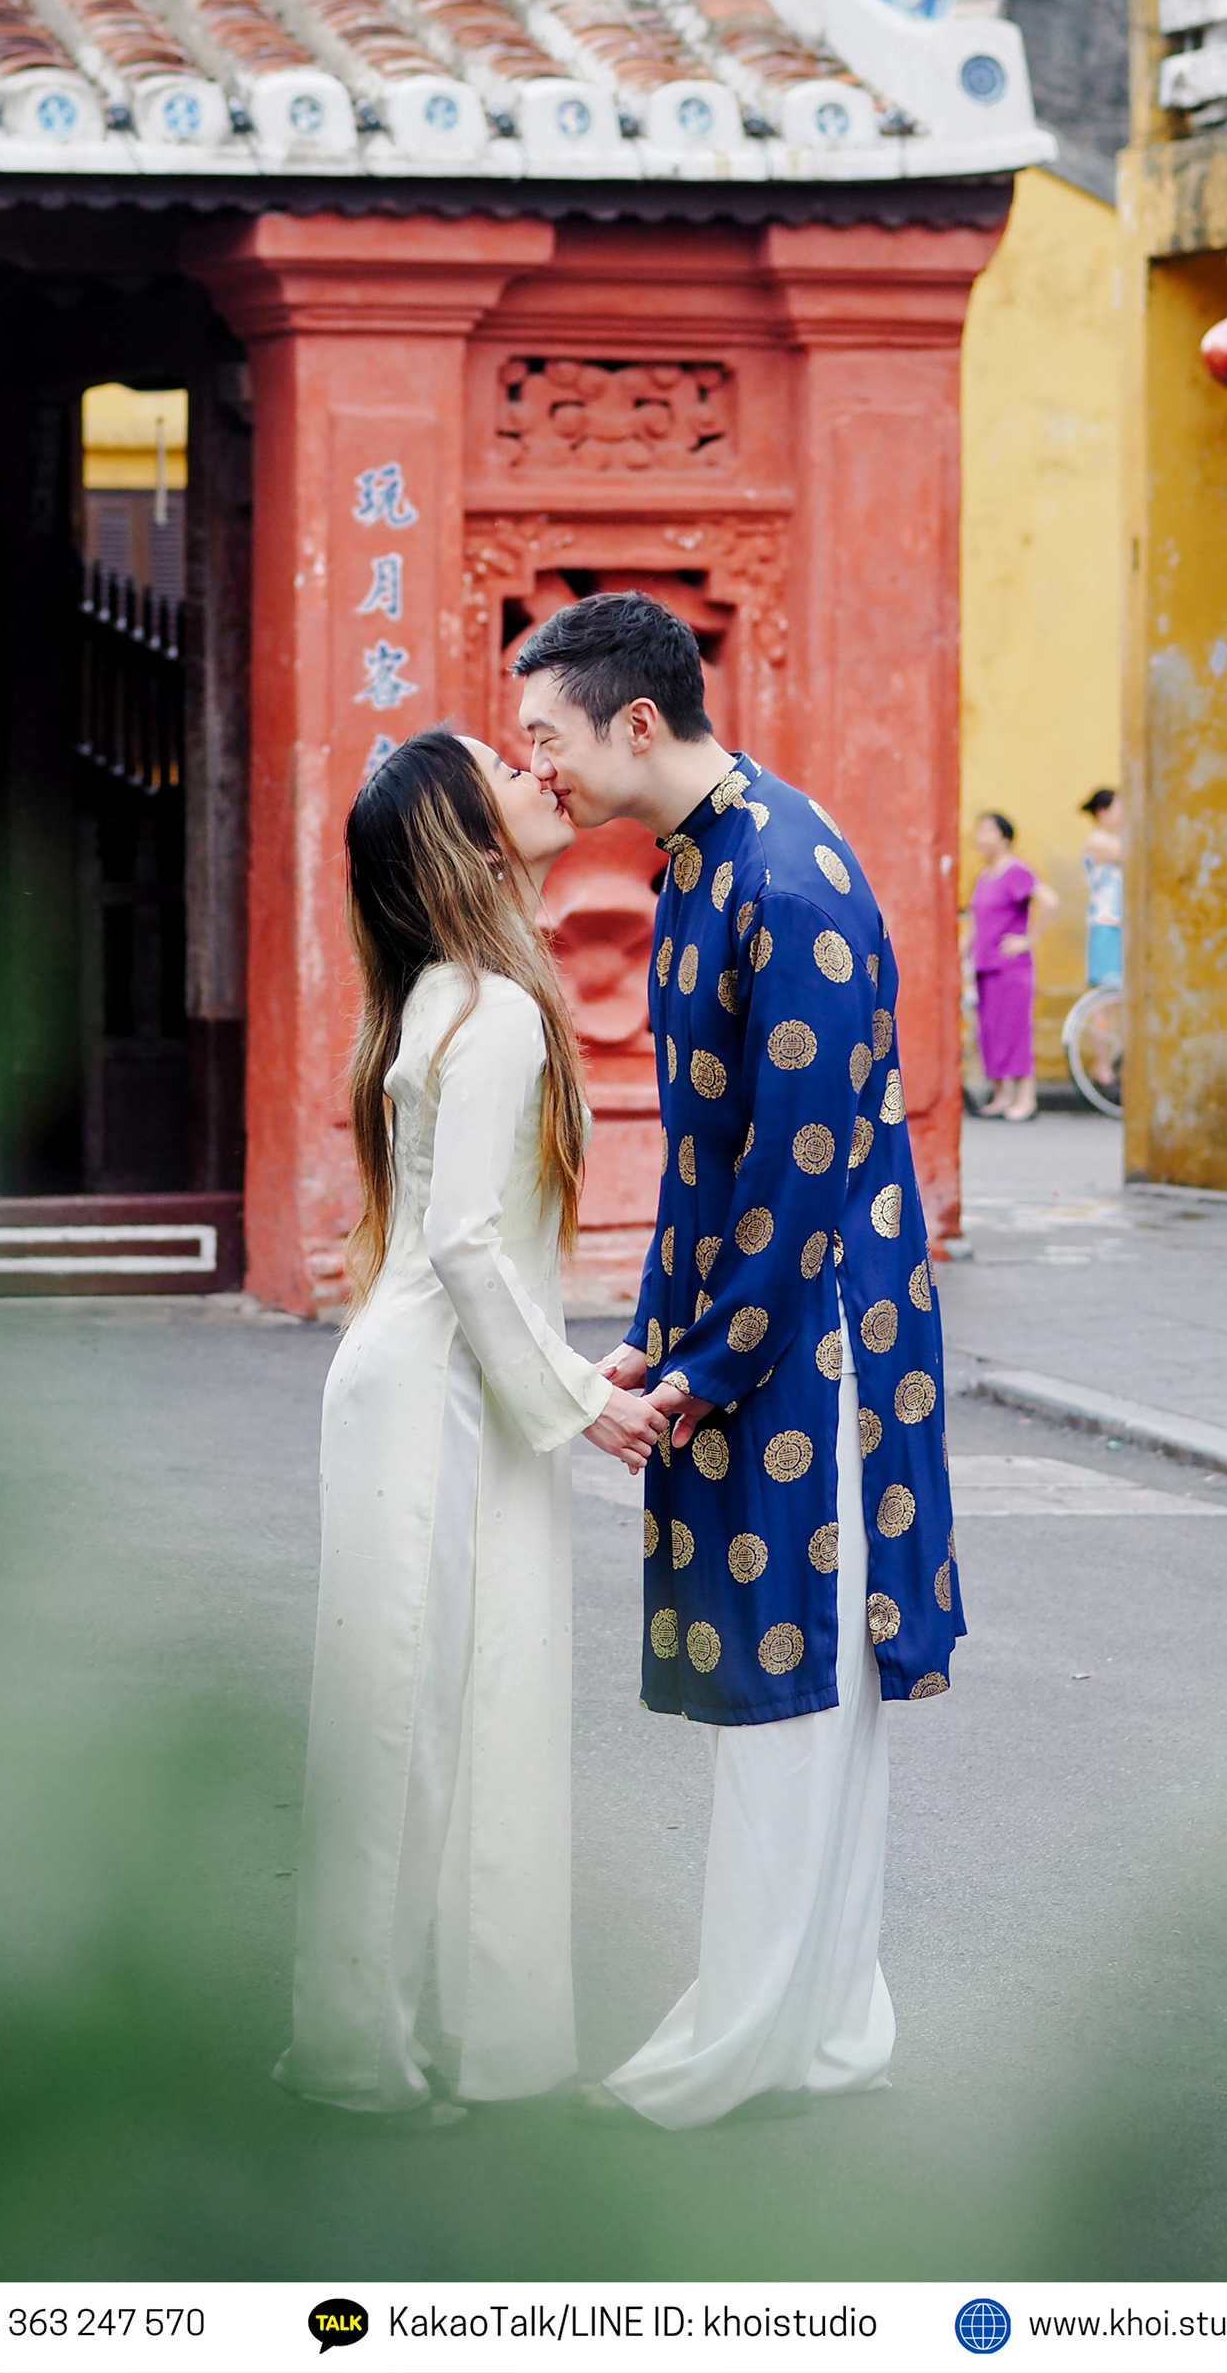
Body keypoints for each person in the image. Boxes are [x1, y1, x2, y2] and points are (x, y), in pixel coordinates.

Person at [512, 592, 961, 2131]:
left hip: (818, 1348)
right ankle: (820, 2026)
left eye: (546, 738)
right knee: (801, 1689)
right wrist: (653, 1334)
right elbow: (706, 1160)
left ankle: (747, 2041)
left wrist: (696, 1373)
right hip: (772, 1330)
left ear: (636, 723)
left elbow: (801, 1171)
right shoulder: (707, 861)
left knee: (794, 1691)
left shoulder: (787, 877)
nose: (537, 770)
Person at [276, 723, 662, 2123]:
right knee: (409, 1722)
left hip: (427, 1381)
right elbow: (462, 1245)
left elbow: (469, 1251)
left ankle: (405, 2028)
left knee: (421, 1708)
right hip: (434, 1386)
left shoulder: (453, 995)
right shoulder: (491, 1010)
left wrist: (570, 1380)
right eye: (505, 765)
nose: (537, 770)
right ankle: (359, 2058)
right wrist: (582, 1404)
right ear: (473, 838)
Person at [967, 811, 1058, 1123]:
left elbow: (1048, 900)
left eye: (988, 831)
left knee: (1015, 1030)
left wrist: (1028, 940)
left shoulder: (1016, 870)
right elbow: (975, 921)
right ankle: (1001, 1095)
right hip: (985, 966)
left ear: (1005, 838)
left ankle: (1026, 1098)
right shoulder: (984, 876)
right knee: (990, 1031)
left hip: (1011, 967)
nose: (980, 837)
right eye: (978, 831)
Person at [1080, 787, 1123, 987]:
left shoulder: (1115, 838)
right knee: (1106, 985)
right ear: (1102, 812)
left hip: (1120, 920)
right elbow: (1127, 853)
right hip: (1106, 920)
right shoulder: (1097, 840)